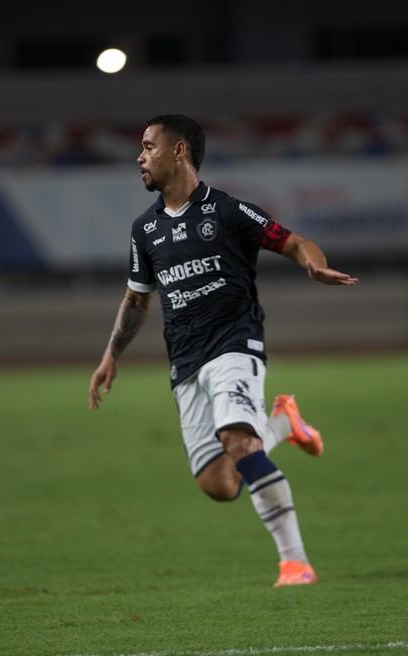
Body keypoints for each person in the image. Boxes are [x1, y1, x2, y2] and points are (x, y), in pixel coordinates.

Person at [88, 114, 358, 586]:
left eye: (148, 146)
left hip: (234, 343)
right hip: (185, 360)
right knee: (220, 484)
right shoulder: (144, 230)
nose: (140, 157)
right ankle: (284, 422)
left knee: (237, 441)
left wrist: (313, 265)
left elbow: (295, 242)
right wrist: (112, 354)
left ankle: (295, 563)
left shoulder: (228, 211)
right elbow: (136, 299)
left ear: (179, 151)